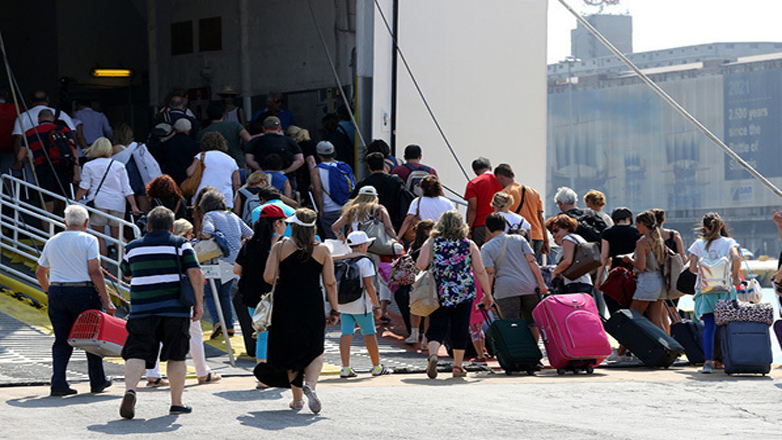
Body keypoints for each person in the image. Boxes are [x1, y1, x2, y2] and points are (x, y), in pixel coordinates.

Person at [119, 206, 205, 419]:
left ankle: (130, 390)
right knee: (176, 356)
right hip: (175, 310)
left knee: (136, 352)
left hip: (142, 309)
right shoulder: (180, 243)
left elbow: (127, 274)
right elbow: (195, 272)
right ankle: (176, 403)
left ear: (148, 226)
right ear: (172, 227)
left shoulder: (132, 246)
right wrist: (198, 304)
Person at [260, 209, 339, 414]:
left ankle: (297, 400)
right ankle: (310, 386)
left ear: (293, 226)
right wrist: (335, 309)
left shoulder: (280, 246)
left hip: (285, 303)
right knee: (315, 348)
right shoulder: (322, 249)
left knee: (291, 349)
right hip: (312, 303)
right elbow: (330, 283)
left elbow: (268, 277)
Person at [35, 204, 115, 397]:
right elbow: (95, 271)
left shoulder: (52, 241)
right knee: (91, 337)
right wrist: (107, 301)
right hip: (83, 292)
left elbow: (40, 272)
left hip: (57, 291)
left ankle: (58, 382)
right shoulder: (89, 239)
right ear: (86, 222)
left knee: (61, 340)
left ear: (65, 222)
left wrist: (49, 291)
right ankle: (97, 380)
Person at [144, 217, 221, 387]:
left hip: (157, 295)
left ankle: (153, 373)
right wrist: (198, 302)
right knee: (194, 334)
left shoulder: (157, 246)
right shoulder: (184, 247)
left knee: (157, 334)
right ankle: (202, 371)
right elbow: (194, 272)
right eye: (191, 233)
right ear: (185, 234)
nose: (193, 236)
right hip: (181, 297)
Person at [415, 210, 492, 379]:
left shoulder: (432, 241)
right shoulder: (469, 244)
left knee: (437, 324)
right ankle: (458, 366)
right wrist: (488, 293)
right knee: (460, 327)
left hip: (439, 291)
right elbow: (480, 270)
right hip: (464, 291)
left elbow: (420, 264)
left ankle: (433, 355)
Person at [234, 204, 286, 385]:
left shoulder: (248, 243)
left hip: (251, 296)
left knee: (262, 335)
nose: (286, 225)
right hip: (276, 295)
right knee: (280, 335)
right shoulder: (281, 243)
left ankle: (262, 377)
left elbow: (236, 269)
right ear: (277, 223)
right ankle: (278, 372)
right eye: (284, 222)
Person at [606, 211, 668, 363]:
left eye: (638, 224)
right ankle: (664, 350)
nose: (636, 227)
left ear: (642, 224)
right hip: (659, 282)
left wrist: (629, 259)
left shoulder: (642, 242)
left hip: (646, 282)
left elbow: (641, 266)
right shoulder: (658, 239)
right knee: (656, 322)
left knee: (630, 320)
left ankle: (620, 353)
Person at [687, 212, 740, 374]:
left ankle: (708, 362)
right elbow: (736, 258)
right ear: (721, 225)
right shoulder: (729, 242)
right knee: (726, 326)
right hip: (725, 290)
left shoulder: (698, 244)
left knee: (709, 326)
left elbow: (692, 268)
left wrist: (706, 273)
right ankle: (726, 359)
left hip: (706, 290)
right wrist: (735, 277)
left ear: (704, 227)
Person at [481, 213, 547, 342]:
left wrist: (488, 294)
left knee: (512, 323)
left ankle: (518, 351)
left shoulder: (486, 248)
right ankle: (534, 351)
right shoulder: (519, 239)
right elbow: (532, 261)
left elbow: (490, 272)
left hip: (506, 289)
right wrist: (541, 283)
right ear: (505, 225)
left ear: (487, 228)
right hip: (529, 286)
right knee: (531, 322)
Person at [198, 190, 253, 339]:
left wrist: (202, 237)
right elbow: (250, 234)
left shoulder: (210, 216)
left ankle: (217, 322)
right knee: (225, 294)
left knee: (211, 293)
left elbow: (208, 230)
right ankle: (229, 325)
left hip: (216, 261)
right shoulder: (233, 216)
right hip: (232, 262)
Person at [338, 231, 393, 378]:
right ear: (363, 245)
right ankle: (376, 366)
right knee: (369, 334)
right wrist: (377, 306)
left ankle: (345, 368)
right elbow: (369, 285)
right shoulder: (365, 262)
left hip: (344, 303)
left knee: (346, 333)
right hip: (361, 305)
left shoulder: (344, 259)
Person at [75, 137, 141, 257]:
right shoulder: (119, 166)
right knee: (117, 236)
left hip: (98, 203)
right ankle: (128, 262)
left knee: (99, 237)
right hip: (118, 204)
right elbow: (126, 188)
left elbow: (84, 187)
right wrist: (134, 206)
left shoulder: (89, 166)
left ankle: (104, 265)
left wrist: (75, 201)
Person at [20, 109, 80, 216]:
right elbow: (73, 152)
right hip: (64, 167)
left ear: (38, 119)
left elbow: (20, 156)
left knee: (47, 203)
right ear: (52, 118)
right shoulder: (64, 130)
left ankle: (48, 225)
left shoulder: (30, 133)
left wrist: (33, 160)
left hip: (43, 169)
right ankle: (64, 223)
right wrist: (76, 172)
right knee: (64, 198)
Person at [494, 163, 548, 258]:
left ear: (500, 177)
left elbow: (501, 218)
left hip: (519, 236)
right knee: (534, 265)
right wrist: (546, 240)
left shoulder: (505, 194)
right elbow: (540, 218)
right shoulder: (534, 192)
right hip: (538, 236)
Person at [12, 91, 77, 170]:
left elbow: (19, 139)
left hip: (33, 158)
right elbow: (72, 136)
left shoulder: (23, 116)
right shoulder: (61, 114)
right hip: (60, 157)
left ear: (31, 101)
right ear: (48, 100)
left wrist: (19, 162)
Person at [596, 207, 641, 314]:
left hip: (616, 270)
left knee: (614, 298)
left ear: (614, 220)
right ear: (629, 218)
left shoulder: (608, 233)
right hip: (633, 269)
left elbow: (604, 256)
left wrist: (598, 278)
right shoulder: (637, 232)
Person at [351, 152, 407, 230]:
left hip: (369, 225)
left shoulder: (364, 184)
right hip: (393, 223)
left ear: (368, 166)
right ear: (384, 165)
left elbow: (353, 203)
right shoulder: (396, 181)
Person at [401, 219, 435, 347]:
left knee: (414, 307)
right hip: (429, 279)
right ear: (426, 231)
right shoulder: (431, 245)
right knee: (429, 310)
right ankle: (425, 339)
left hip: (415, 279)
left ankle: (414, 335)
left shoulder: (413, 246)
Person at [186, 131, 240, 209]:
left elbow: (190, 172)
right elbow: (237, 184)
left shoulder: (202, 156)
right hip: (225, 198)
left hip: (202, 197)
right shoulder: (231, 160)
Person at [310, 140, 352, 238]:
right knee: (348, 238)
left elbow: (317, 191)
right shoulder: (344, 166)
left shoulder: (317, 170)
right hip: (347, 208)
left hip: (329, 210)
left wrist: (321, 209)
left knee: (334, 240)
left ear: (318, 154)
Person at [545, 214, 593, 294]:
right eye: (551, 232)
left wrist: (555, 273)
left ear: (566, 228)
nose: (554, 234)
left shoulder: (567, 239)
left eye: (556, 230)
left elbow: (567, 261)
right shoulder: (577, 238)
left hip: (574, 284)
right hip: (584, 281)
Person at [198, 101, 251, 170]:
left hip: (214, 168)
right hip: (237, 164)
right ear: (223, 114)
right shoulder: (235, 125)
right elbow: (249, 139)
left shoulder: (201, 134)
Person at [397, 175, 454, 240]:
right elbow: (454, 219)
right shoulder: (447, 202)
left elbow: (408, 220)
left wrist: (398, 237)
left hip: (423, 236)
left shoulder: (417, 201)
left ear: (422, 188)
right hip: (442, 236)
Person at [465, 157, 503, 247]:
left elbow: (472, 209)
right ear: (490, 168)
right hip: (501, 224)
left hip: (480, 225)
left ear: (475, 171)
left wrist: (468, 229)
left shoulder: (473, 184)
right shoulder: (501, 181)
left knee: (481, 253)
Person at [156, 118, 200, 186]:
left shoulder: (166, 144)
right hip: (188, 179)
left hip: (171, 178)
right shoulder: (195, 145)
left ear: (175, 129)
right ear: (189, 129)